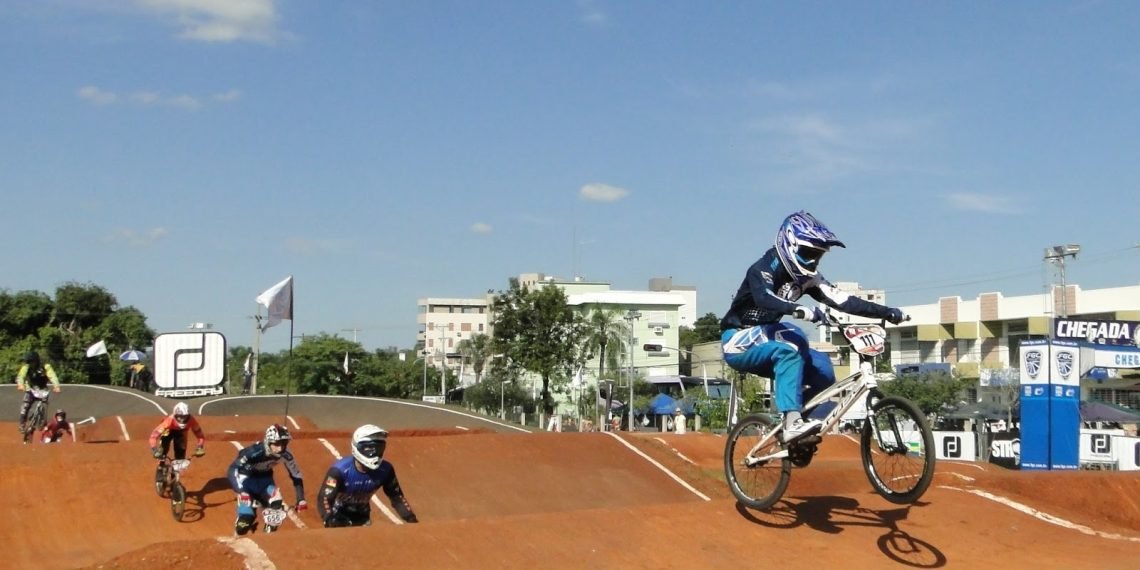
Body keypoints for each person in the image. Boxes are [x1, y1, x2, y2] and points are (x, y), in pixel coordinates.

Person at [720, 211, 907, 443]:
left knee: (823, 369)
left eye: (818, 256)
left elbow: (844, 300)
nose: (813, 262)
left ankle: (798, 429)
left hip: (768, 342)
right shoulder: (763, 269)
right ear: (790, 244)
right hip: (737, 342)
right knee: (791, 336)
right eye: (808, 254)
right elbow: (763, 298)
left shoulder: (808, 278)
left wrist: (886, 312)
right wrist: (798, 309)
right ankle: (792, 421)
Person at [317, 424, 418, 528]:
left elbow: (397, 497)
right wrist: (329, 518)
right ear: (357, 447)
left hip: (362, 517)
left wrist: (411, 519)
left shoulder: (386, 470)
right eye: (369, 448)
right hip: (337, 517)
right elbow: (324, 498)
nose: (374, 453)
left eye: (378, 448)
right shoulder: (340, 470)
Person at [227, 424, 307, 535]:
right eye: (277, 444)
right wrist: (241, 490)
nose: (280, 448)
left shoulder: (287, 455)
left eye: (284, 444)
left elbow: (296, 474)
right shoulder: (252, 452)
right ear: (268, 442)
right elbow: (232, 469)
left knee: (276, 508)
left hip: (265, 482)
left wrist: (301, 498)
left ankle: (268, 537)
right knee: (244, 524)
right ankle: (239, 531)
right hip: (247, 483)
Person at [149, 402, 206, 483]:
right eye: (179, 417)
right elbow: (153, 436)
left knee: (181, 454)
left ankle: (175, 473)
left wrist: (200, 447)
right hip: (168, 430)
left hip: (181, 433)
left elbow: (200, 436)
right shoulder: (169, 421)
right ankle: (160, 467)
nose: (182, 419)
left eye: (184, 417)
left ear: (188, 415)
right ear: (175, 415)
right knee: (162, 450)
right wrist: (154, 450)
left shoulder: (192, 420)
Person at [15, 351, 61, 432]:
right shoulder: (26, 367)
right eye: (28, 362)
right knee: (25, 406)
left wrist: (56, 386)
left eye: (31, 362)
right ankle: (22, 424)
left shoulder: (46, 366)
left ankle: (43, 420)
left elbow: (52, 376)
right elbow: (20, 376)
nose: (30, 364)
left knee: (44, 404)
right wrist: (20, 385)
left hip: (43, 389)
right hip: (31, 389)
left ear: (36, 360)